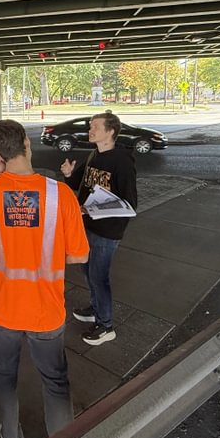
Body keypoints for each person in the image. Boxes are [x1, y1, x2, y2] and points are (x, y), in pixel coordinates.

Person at [0, 120, 89, 438]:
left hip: (2, 307)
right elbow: (79, 254)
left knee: (4, 376)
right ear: (27, 144)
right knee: (55, 380)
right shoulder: (59, 194)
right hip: (46, 310)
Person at [60, 111, 137, 346]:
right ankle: (95, 309)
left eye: (95, 127)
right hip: (87, 225)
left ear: (111, 131)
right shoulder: (94, 155)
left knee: (98, 277)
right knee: (87, 271)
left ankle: (106, 326)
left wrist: (94, 209)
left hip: (108, 231)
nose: (90, 130)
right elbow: (78, 184)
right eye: (90, 126)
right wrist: (68, 174)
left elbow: (130, 203)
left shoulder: (122, 161)